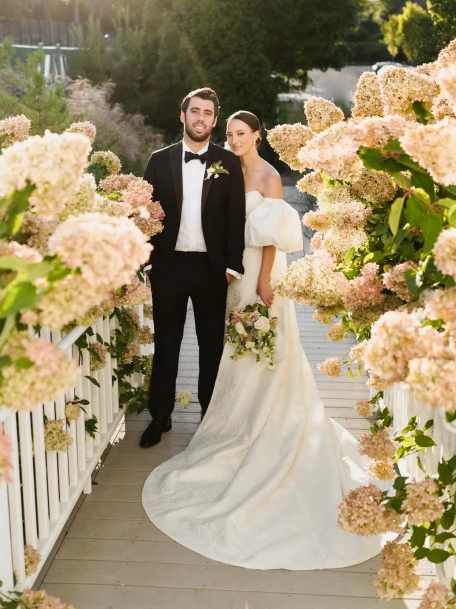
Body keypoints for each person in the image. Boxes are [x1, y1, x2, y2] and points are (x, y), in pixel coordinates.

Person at [141, 110, 384, 569]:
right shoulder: (226, 167)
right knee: (232, 350)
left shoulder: (270, 174)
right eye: (229, 133)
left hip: (260, 273)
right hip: (232, 271)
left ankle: (264, 421)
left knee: (260, 347)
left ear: (256, 135)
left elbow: (272, 235)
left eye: (240, 133)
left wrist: (266, 281)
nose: (233, 140)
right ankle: (223, 421)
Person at [140, 88, 246, 448]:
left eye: (207, 113)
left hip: (211, 269)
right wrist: (149, 262)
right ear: (182, 115)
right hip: (168, 267)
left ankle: (209, 420)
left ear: (215, 121)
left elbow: (236, 217)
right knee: (166, 345)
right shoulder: (159, 160)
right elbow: (144, 213)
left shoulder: (228, 162)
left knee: (210, 348)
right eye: (194, 111)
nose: (200, 118)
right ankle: (160, 417)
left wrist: (233, 267)